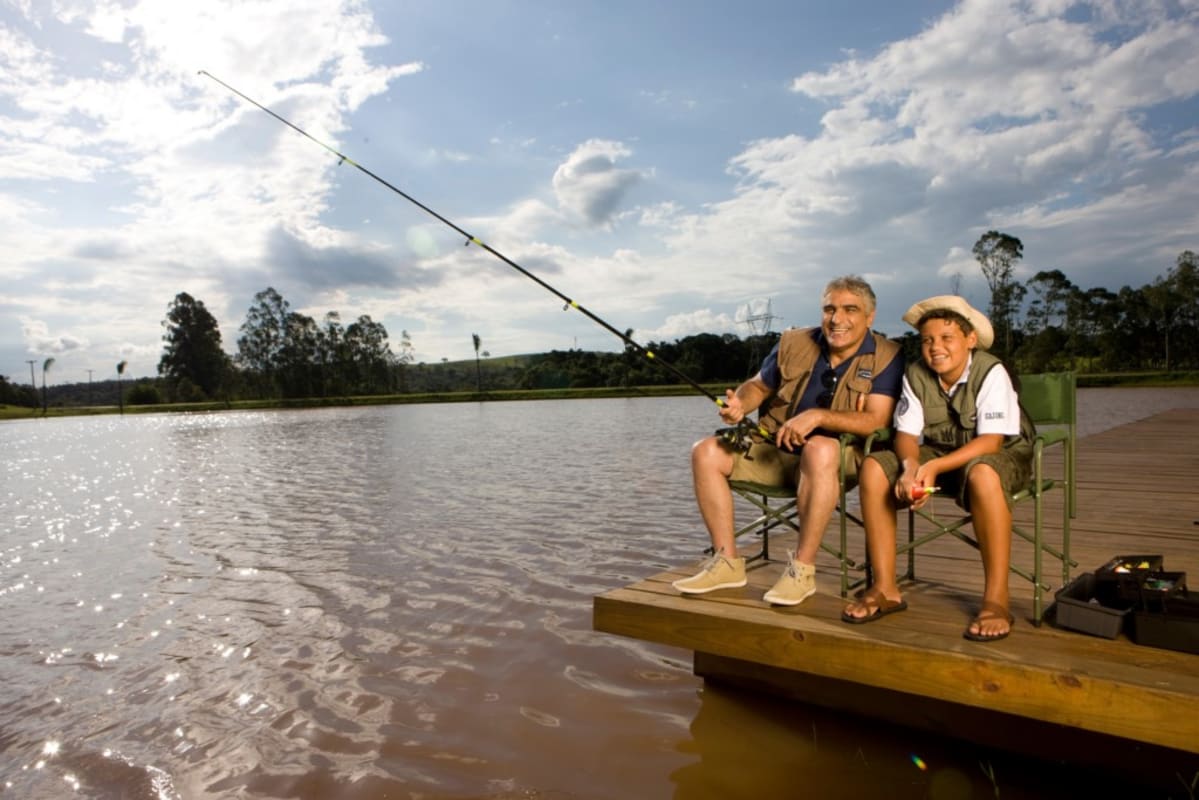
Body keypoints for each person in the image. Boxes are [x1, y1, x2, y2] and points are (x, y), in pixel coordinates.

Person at [673, 276, 904, 605]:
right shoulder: (793, 341)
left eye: (850, 309)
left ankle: (802, 570)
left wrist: (819, 417)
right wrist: (740, 404)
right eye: (829, 309)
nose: (836, 319)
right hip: (775, 453)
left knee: (820, 446)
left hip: (839, 460)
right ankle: (726, 562)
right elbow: (756, 386)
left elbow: (877, 419)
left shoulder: (889, 355)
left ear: (870, 316)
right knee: (705, 451)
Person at [841, 295, 1034, 641]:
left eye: (947, 338)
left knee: (982, 472)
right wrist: (911, 465)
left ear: (970, 340)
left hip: (999, 455)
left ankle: (996, 599)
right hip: (940, 452)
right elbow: (906, 435)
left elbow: (991, 443)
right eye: (927, 340)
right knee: (873, 466)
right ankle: (885, 587)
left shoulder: (991, 371)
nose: (935, 348)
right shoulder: (916, 374)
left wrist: (934, 468)